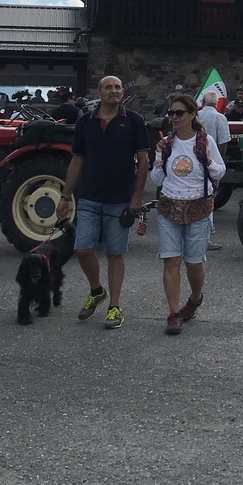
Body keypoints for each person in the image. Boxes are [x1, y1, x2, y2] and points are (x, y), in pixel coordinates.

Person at [55, 75, 149, 330]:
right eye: (108, 87)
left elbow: (143, 162)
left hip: (120, 199)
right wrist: (65, 196)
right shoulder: (85, 122)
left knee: (115, 253)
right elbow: (77, 160)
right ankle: (96, 290)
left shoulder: (134, 121)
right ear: (99, 92)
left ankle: (114, 306)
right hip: (89, 196)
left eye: (118, 87)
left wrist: (137, 197)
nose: (114, 91)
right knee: (83, 248)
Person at [148, 94, 225, 335]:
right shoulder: (167, 143)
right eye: (171, 114)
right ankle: (173, 314)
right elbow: (156, 179)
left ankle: (195, 297)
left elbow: (220, 172)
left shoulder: (205, 140)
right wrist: (160, 157)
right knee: (171, 260)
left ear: (192, 115)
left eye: (178, 113)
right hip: (170, 205)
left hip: (198, 206)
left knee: (193, 262)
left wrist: (207, 161)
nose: (173, 118)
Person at [198, 90, 231, 252]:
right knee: (208, 197)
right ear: (216, 103)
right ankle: (205, 237)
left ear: (203, 102)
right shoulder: (220, 117)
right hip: (211, 160)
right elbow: (223, 142)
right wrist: (220, 160)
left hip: (195, 158)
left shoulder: (196, 116)